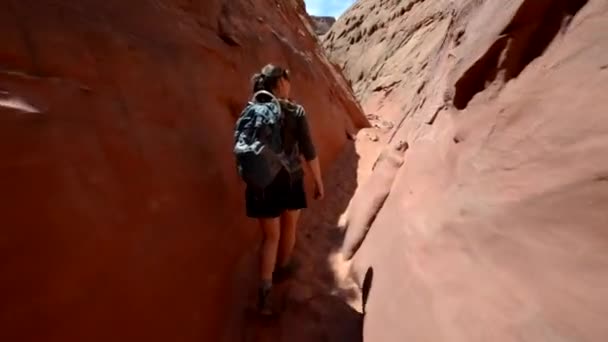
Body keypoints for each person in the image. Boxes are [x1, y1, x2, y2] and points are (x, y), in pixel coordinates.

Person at [246, 64, 324, 315]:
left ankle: (265, 293)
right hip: (290, 181)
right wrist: (318, 182)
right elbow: (309, 152)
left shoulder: (251, 109)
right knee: (289, 227)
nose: (290, 84)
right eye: (287, 80)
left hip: (261, 182)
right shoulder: (295, 110)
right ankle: (283, 267)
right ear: (280, 83)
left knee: (270, 237)